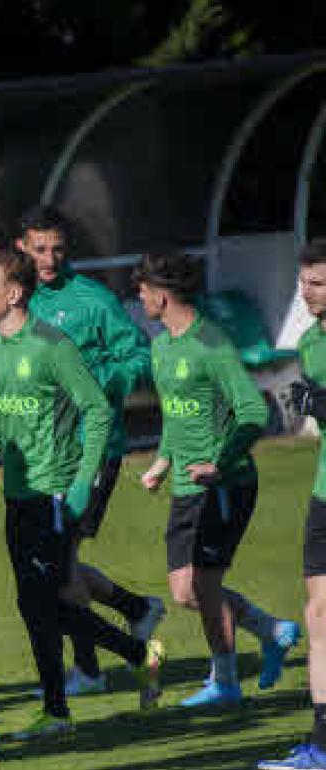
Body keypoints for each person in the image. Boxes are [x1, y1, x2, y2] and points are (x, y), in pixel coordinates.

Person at [0, 249, 163, 739]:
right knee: (35, 604)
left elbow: (97, 411)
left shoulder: (52, 346)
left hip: (55, 492)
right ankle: (130, 657)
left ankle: (64, 707)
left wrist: (80, 484)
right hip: (18, 491)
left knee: (41, 601)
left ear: (13, 294)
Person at [133, 252, 299, 708]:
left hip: (224, 485)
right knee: (184, 591)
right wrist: (162, 464)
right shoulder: (162, 346)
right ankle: (272, 630)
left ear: (162, 295)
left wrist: (220, 464)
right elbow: (177, 415)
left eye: (143, 290)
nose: (139, 297)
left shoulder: (212, 345)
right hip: (189, 489)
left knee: (203, 588)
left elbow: (253, 411)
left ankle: (224, 681)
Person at [19, 205, 166, 696]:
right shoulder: (18, 301)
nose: (50, 258)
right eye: (40, 248)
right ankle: (136, 610)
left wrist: (96, 384)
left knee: (58, 566)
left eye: (58, 248)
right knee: (56, 563)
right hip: (43, 455)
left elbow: (138, 355)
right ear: (22, 247)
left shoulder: (92, 299)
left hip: (91, 449)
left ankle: (88, 669)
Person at [261, 238, 326, 770]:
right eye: (304, 282)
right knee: (319, 613)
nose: (308, 292)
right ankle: (322, 745)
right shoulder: (309, 343)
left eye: (319, 282)